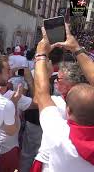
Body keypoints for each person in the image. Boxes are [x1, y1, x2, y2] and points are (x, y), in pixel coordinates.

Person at [31, 24, 94, 171]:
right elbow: (43, 95)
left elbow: (41, 94)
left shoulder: (60, 134)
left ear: (69, 111)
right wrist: (77, 49)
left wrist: (41, 53)